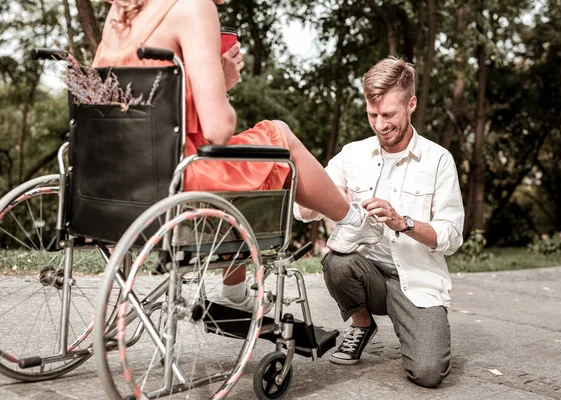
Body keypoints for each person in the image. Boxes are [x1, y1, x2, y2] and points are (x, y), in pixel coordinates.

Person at [93, 0, 382, 310]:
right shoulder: (194, 8)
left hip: (117, 182)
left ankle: (235, 291)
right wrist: (223, 83)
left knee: (241, 155)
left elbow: (155, 116)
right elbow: (217, 130)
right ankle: (352, 219)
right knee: (277, 136)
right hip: (176, 182)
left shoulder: (123, 10)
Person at [295, 57, 464, 388]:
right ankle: (361, 323)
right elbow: (303, 212)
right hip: (366, 274)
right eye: (373, 114)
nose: (380, 124)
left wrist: (403, 222)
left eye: (389, 114)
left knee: (428, 373)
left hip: (417, 282)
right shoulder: (352, 154)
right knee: (336, 260)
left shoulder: (438, 159)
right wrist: (329, 198)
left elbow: (453, 236)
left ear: (411, 104)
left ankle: (414, 326)